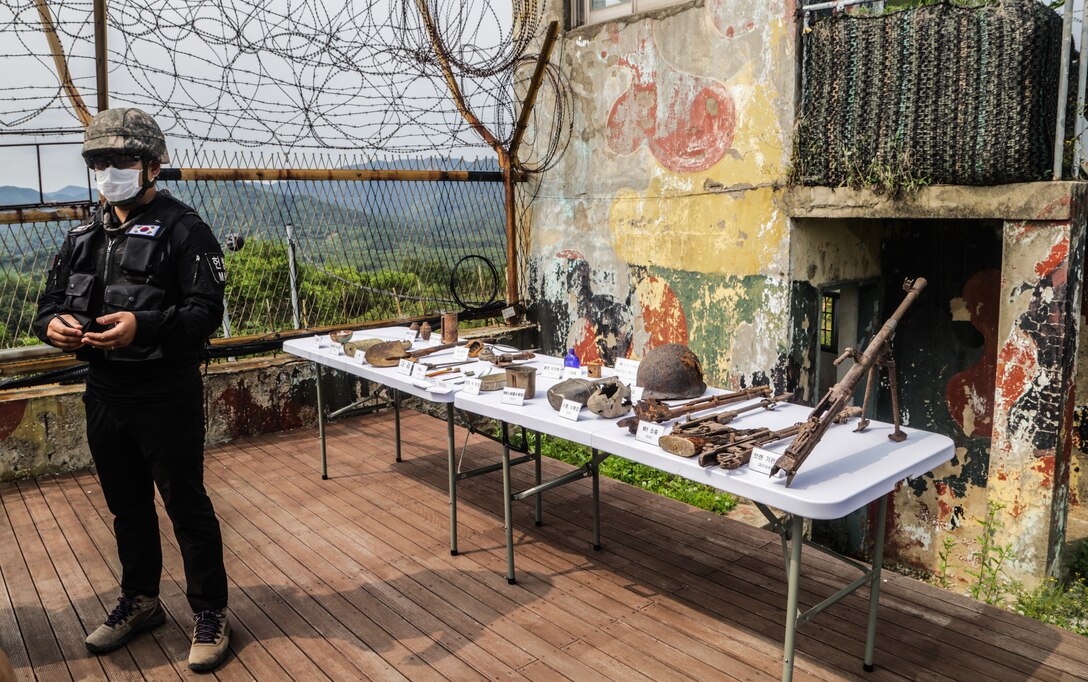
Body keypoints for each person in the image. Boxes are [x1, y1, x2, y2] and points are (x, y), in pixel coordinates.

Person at [33, 108, 231, 672]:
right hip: (104, 391)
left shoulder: (185, 229)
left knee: (186, 505)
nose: (108, 171)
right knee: (127, 507)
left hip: (166, 391)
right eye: (99, 161)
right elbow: (48, 307)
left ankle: (210, 611)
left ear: (153, 165)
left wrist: (145, 326)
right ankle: (141, 600)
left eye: (121, 159)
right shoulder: (81, 236)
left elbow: (205, 311)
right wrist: (52, 327)